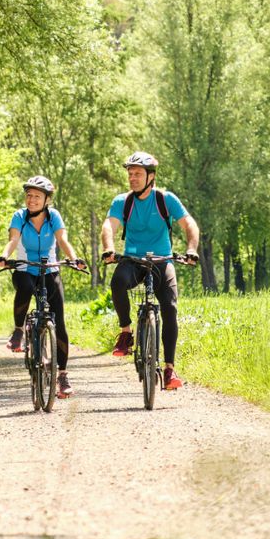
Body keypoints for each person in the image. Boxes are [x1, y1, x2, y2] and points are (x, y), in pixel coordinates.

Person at [100, 151, 200, 391]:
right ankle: (126, 332)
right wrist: (109, 248)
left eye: (137, 174)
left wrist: (191, 249)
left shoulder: (165, 199)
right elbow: (108, 226)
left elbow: (189, 224)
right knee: (117, 282)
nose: (132, 178)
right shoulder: (122, 202)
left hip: (162, 260)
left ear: (151, 176)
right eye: (130, 174)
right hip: (133, 259)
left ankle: (169, 368)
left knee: (170, 308)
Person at [2, 175, 78, 399]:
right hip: (26, 269)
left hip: (50, 270)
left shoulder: (53, 216)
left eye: (36, 196)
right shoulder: (20, 216)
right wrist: (4, 256)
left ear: (46, 200)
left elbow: (63, 240)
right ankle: (18, 332)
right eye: (28, 195)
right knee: (24, 286)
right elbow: (13, 240)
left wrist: (74, 258)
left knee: (60, 322)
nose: (31, 200)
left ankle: (62, 376)